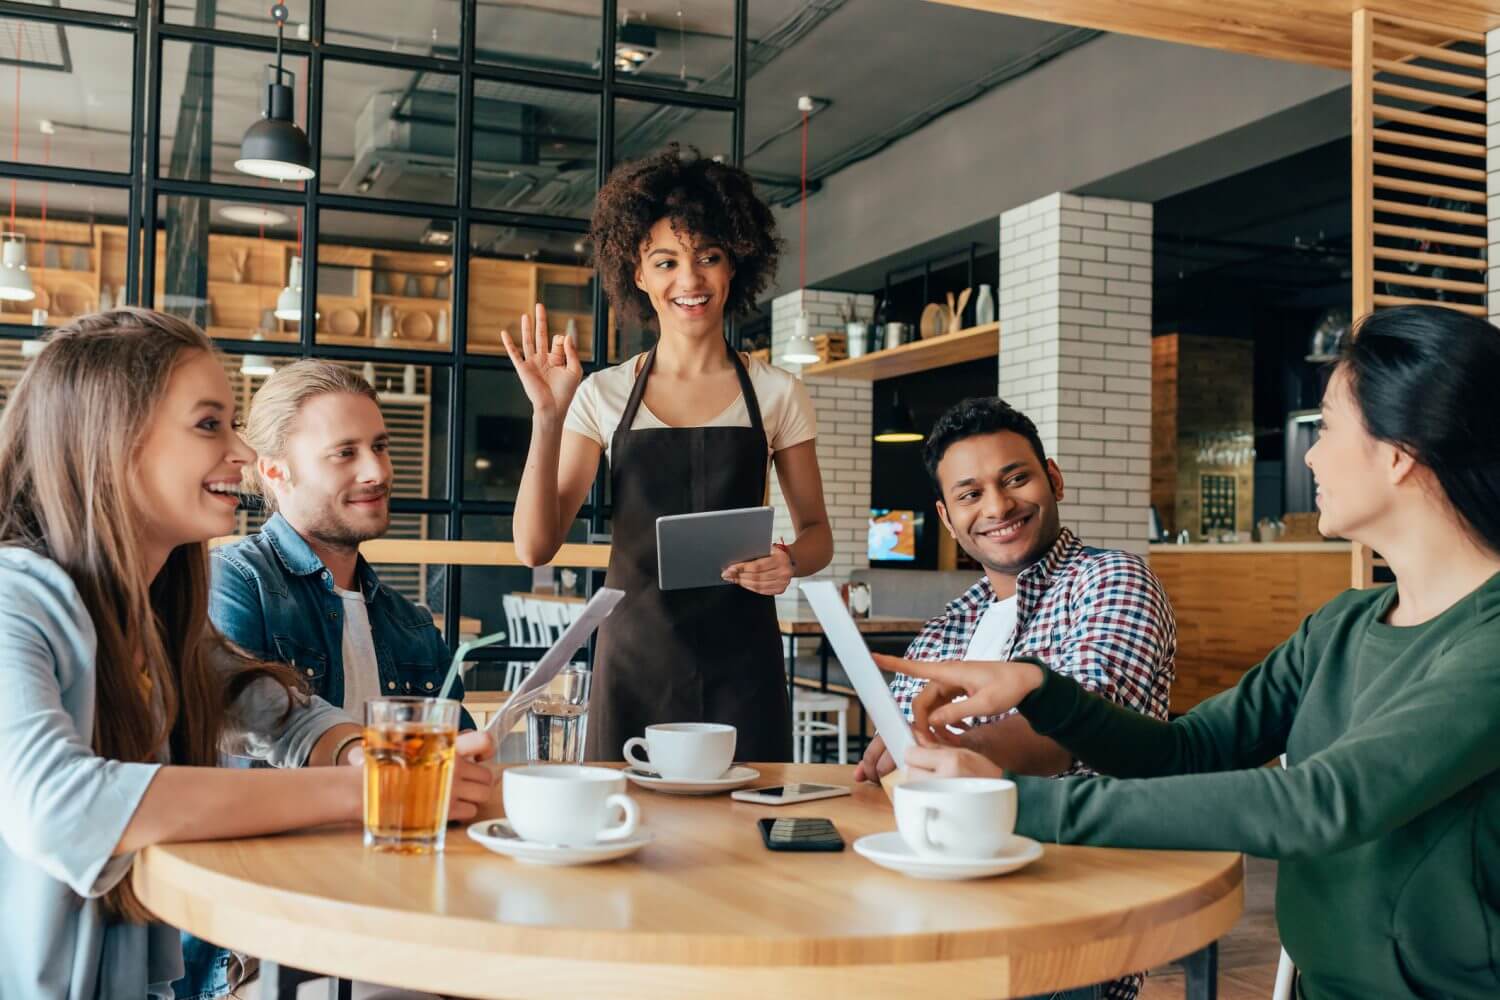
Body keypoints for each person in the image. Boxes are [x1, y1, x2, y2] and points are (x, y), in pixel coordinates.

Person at [894, 305, 1500, 1000]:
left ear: (1400, 455)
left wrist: (1006, 805)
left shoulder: (1489, 642)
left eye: (1327, 426)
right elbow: (1184, 752)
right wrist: (1039, 687)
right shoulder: (1342, 626)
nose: (1308, 453)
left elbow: (1321, 802)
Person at [0, 310, 494, 1000]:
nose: (239, 450)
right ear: (111, 438)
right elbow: (60, 804)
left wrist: (370, 756)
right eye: (210, 425)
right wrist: (376, 790)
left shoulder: (150, 612)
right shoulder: (12, 597)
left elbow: (280, 715)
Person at [508, 145, 833, 762]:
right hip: (635, 658)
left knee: (745, 837)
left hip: (744, 659)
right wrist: (547, 417)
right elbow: (534, 547)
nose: (689, 281)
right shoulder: (602, 394)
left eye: (708, 257)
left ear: (734, 264)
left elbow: (818, 533)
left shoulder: (776, 393)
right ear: (637, 273)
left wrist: (788, 559)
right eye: (666, 262)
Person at [854, 396, 1175, 1000]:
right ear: (947, 519)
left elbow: (1073, 730)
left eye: (1015, 479)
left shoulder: (1112, 580)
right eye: (970, 494)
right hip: (933, 905)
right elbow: (902, 759)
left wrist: (947, 751)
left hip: (1062, 922)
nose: (998, 507)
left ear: (1052, 479)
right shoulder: (951, 624)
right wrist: (892, 755)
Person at [211, 360, 475, 729]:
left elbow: (454, 759)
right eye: (345, 453)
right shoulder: (235, 581)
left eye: (380, 447)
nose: (378, 472)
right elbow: (235, 726)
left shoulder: (413, 626)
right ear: (274, 471)